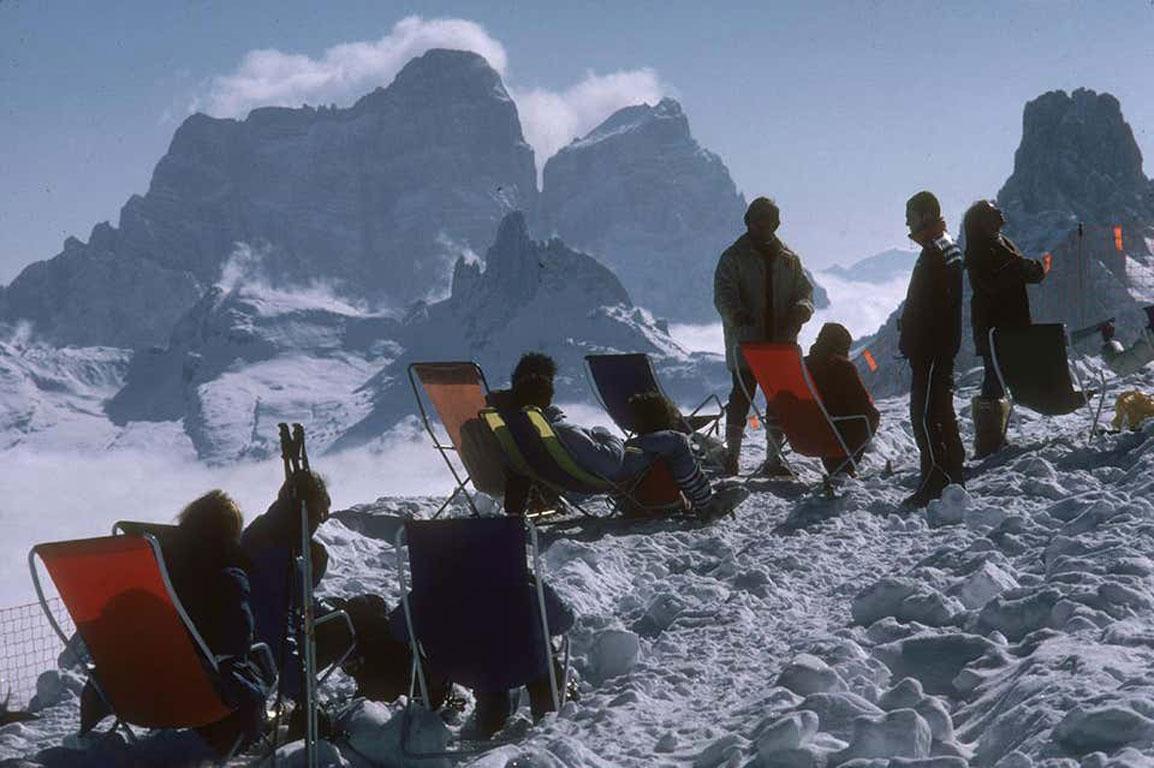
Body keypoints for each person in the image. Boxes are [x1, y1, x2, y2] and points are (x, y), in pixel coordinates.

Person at [510, 374, 745, 518]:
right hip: (621, 464)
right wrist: (605, 434)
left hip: (614, 463)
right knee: (676, 440)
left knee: (668, 442)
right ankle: (705, 503)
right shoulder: (563, 430)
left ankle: (698, 496)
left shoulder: (535, 429)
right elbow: (609, 463)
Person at [241, 470, 350, 737]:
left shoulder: (264, 532)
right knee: (342, 631)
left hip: (251, 640)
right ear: (307, 512)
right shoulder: (277, 554)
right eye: (319, 516)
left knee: (342, 616)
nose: (318, 525)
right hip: (258, 652)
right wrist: (305, 696)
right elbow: (276, 630)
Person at [714, 197, 815, 477]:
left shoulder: (788, 259)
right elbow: (723, 294)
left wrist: (801, 310)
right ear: (748, 222)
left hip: (781, 343)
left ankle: (774, 458)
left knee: (778, 400)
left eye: (767, 221)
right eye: (758, 220)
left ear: (776, 224)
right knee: (740, 398)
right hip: (746, 344)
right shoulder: (733, 257)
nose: (762, 226)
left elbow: (805, 292)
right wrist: (736, 314)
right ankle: (731, 456)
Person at [963, 199, 1046, 457]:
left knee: (998, 377)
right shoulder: (979, 250)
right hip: (994, 327)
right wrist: (1019, 267)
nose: (1000, 213)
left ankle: (993, 437)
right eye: (992, 211)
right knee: (994, 377)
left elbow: (1029, 273)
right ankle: (988, 441)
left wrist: (1030, 268)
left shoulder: (1002, 243)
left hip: (1012, 323)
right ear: (981, 222)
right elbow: (991, 283)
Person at [899, 191, 965, 508]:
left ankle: (934, 479)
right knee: (941, 410)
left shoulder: (936, 252)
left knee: (924, 414)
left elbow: (932, 306)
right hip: (939, 347)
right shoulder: (945, 248)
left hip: (931, 350)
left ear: (925, 216)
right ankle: (953, 472)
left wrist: (915, 338)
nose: (907, 222)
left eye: (910, 215)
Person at [803, 322, 881, 475]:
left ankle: (837, 465)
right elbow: (864, 406)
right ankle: (844, 467)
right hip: (835, 434)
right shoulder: (843, 367)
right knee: (871, 417)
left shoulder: (802, 365)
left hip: (806, 431)